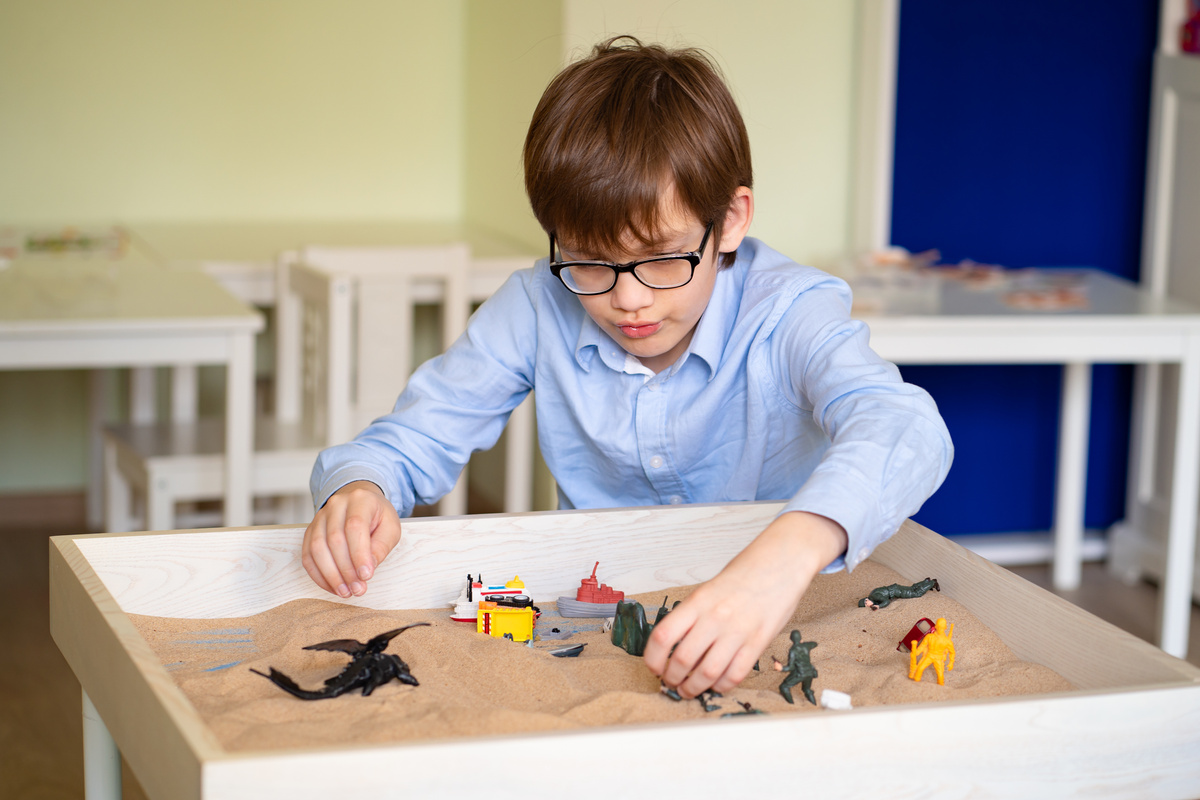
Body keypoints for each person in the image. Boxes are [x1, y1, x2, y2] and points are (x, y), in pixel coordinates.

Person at [301, 36, 953, 700]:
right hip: (602, 623)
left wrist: (784, 558)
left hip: (780, 601)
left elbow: (907, 427)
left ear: (729, 220)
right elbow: (412, 440)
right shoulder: (536, 305)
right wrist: (361, 487)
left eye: (664, 258)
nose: (628, 299)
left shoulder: (788, 311)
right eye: (588, 260)